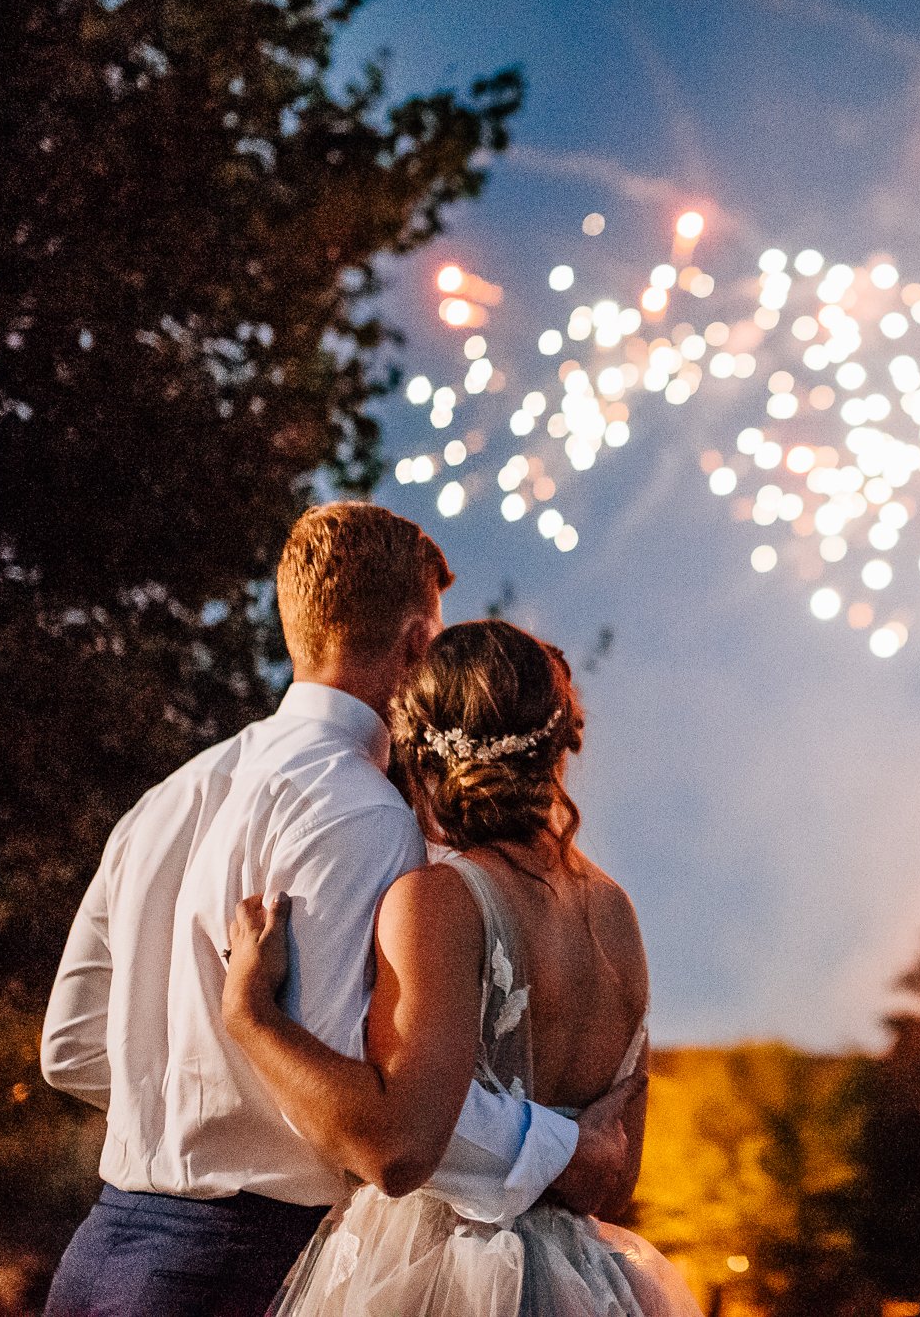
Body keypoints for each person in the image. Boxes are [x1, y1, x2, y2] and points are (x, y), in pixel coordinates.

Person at [39, 503, 639, 1317]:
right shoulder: (362, 813)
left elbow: (71, 1048)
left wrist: (188, 1109)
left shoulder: (167, 798)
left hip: (99, 1253)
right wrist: (567, 1149)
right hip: (245, 1270)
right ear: (417, 644)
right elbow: (389, 1122)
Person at [221, 620, 699, 1317]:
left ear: (422, 751)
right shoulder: (616, 912)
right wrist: (566, 1148)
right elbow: (615, 1174)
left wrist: (254, 1018)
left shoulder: (439, 902)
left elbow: (396, 1153)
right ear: (556, 747)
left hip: (432, 1278)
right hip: (588, 1286)